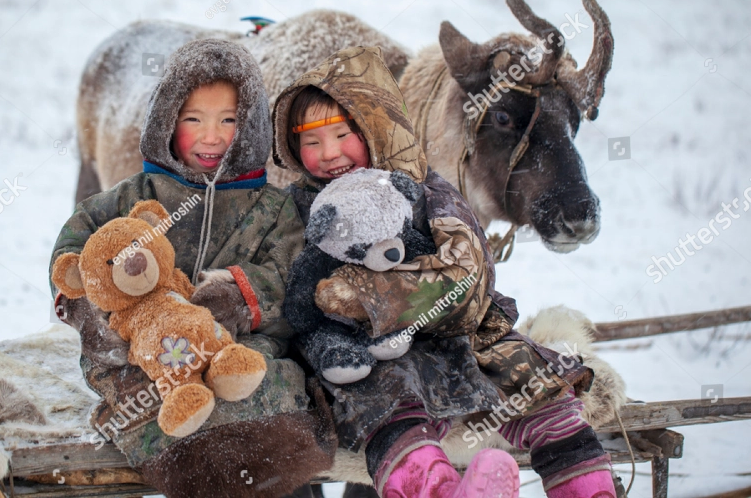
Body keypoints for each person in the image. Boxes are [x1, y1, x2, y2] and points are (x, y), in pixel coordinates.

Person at [272, 46, 618, 498]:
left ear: (375, 127)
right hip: (374, 353)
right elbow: (289, 286)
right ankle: (438, 490)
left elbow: (468, 270)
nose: (329, 154)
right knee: (387, 402)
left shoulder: (427, 190)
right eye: (311, 143)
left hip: (463, 331)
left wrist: (376, 296)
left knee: (535, 382)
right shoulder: (300, 208)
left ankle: (587, 487)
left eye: (342, 135)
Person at [50, 38, 335, 498]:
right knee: (163, 411)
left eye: (229, 120)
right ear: (167, 120)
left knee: (267, 409)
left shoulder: (272, 209)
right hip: (146, 353)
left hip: (241, 349)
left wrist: (242, 297)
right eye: (193, 119)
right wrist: (91, 304)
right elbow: (77, 242)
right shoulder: (134, 195)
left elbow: (294, 280)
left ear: (250, 127)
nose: (212, 136)